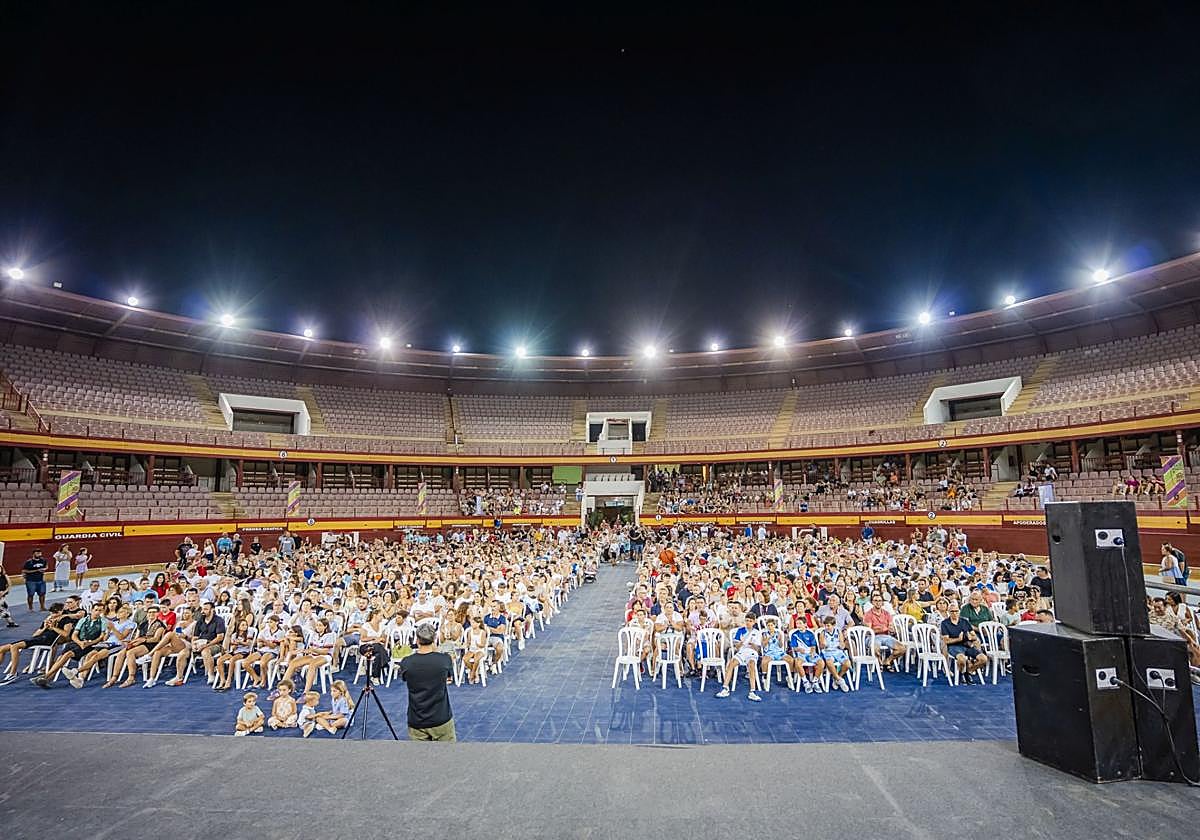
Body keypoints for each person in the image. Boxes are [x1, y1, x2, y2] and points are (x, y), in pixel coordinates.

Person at [398, 622, 456, 741]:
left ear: (417, 639)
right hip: (441, 719)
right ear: (434, 639)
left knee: (420, 758)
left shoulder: (407, 662)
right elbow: (449, 677)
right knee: (449, 757)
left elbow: (404, 678)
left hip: (417, 720)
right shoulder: (444, 660)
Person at [940, 603, 988, 684]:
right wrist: (958, 639)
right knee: (962, 659)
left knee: (984, 659)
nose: (954, 613)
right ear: (949, 612)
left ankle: (968, 671)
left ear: (959, 611)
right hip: (954, 647)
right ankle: (963, 673)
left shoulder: (965, 621)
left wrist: (970, 637)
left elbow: (974, 636)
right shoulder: (945, 623)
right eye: (952, 611)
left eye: (956, 611)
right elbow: (946, 641)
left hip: (967, 645)